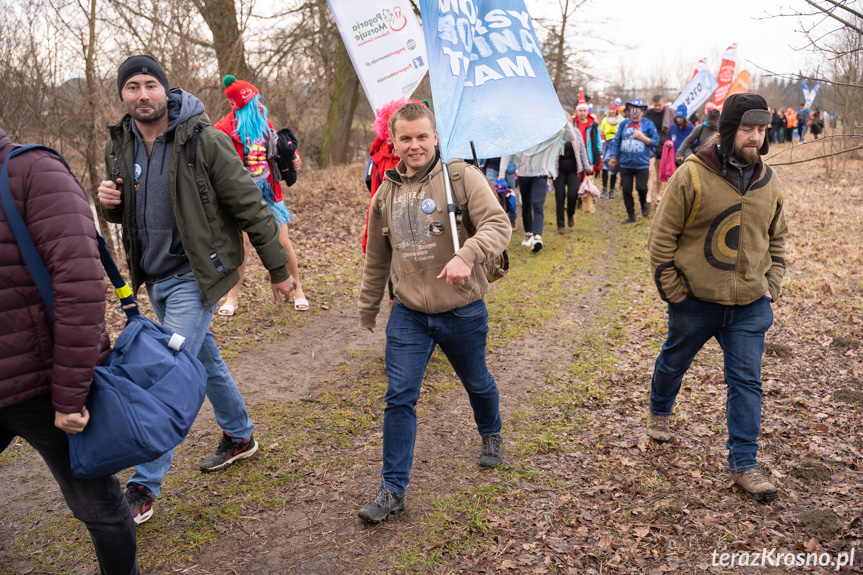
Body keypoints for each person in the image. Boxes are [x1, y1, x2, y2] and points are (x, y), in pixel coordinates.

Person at [97, 55, 297, 525]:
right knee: (203, 357)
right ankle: (240, 435)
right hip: (155, 277)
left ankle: (144, 484)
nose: (142, 94)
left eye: (150, 85)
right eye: (132, 87)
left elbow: (250, 206)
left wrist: (277, 268)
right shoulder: (121, 143)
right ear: (123, 96)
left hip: (198, 275)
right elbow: (128, 213)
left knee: (166, 371)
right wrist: (110, 205)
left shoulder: (204, 139)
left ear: (165, 90)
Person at [357, 102, 511, 524]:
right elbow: (376, 259)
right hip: (407, 314)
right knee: (399, 397)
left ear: (436, 136)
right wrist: (369, 308)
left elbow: (499, 226)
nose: (414, 145)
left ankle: (491, 433)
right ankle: (393, 489)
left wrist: (467, 255)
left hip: (461, 310)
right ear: (393, 141)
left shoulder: (461, 178)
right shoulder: (385, 195)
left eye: (422, 136)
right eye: (405, 138)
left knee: (476, 381)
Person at [1, 128, 139, 573]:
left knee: (99, 508)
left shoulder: (32, 171)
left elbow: (79, 292)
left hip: (44, 387)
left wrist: (70, 395)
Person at [646, 93, 787, 502]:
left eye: (761, 130)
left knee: (746, 382)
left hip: (749, 306)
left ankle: (745, 464)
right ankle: (660, 410)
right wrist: (675, 291)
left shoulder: (770, 181)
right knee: (674, 362)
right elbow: (660, 239)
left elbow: (777, 238)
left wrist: (771, 282)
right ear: (728, 129)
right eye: (747, 129)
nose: (754, 138)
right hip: (696, 301)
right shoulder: (693, 175)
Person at [214, 75, 308, 315]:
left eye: (258, 100)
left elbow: (282, 149)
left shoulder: (263, 124)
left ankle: (298, 289)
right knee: (243, 246)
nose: (259, 105)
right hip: (241, 197)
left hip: (270, 193)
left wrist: (294, 159)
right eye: (254, 101)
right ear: (241, 105)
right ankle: (232, 296)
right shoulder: (223, 130)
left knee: (282, 241)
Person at [500, 119, 579, 252]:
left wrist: (563, 119)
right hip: (524, 175)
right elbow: (507, 153)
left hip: (540, 174)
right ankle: (528, 234)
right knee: (526, 205)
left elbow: (571, 137)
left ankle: (537, 237)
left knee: (537, 205)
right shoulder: (519, 136)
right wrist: (502, 173)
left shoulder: (546, 134)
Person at [606, 98, 659, 223]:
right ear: (629, 112)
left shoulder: (648, 124)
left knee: (642, 188)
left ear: (642, 112)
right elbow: (616, 140)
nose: (635, 114)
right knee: (626, 189)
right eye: (632, 111)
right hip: (625, 163)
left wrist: (643, 137)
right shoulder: (624, 124)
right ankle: (631, 215)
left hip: (642, 164)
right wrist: (613, 157)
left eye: (637, 111)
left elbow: (656, 141)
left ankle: (644, 204)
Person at [553, 112, 592, 233]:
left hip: (574, 170)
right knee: (560, 196)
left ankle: (570, 214)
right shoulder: (555, 134)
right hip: (558, 171)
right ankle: (560, 224)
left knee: (572, 195)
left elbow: (582, 152)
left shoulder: (576, 133)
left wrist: (587, 168)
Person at [644, 95, 674, 202]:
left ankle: (657, 194)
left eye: (659, 105)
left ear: (663, 103)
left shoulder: (669, 113)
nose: (657, 108)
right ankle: (648, 195)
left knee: (659, 172)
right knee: (650, 171)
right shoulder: (648, 114)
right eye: (655, 105)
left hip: (663, 145)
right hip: (651, 145)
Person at [599, 102, 624, 198]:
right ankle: (604, 189)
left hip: (617, 145)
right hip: (607, 144)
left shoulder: (621, 120)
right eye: (610, 109)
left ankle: (612, 190)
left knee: (614, 167)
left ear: (617, 110)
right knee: (605, 167)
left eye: (613, 109)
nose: (611, 111)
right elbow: (602, 130)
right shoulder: (605, 120)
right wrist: (602, 132)